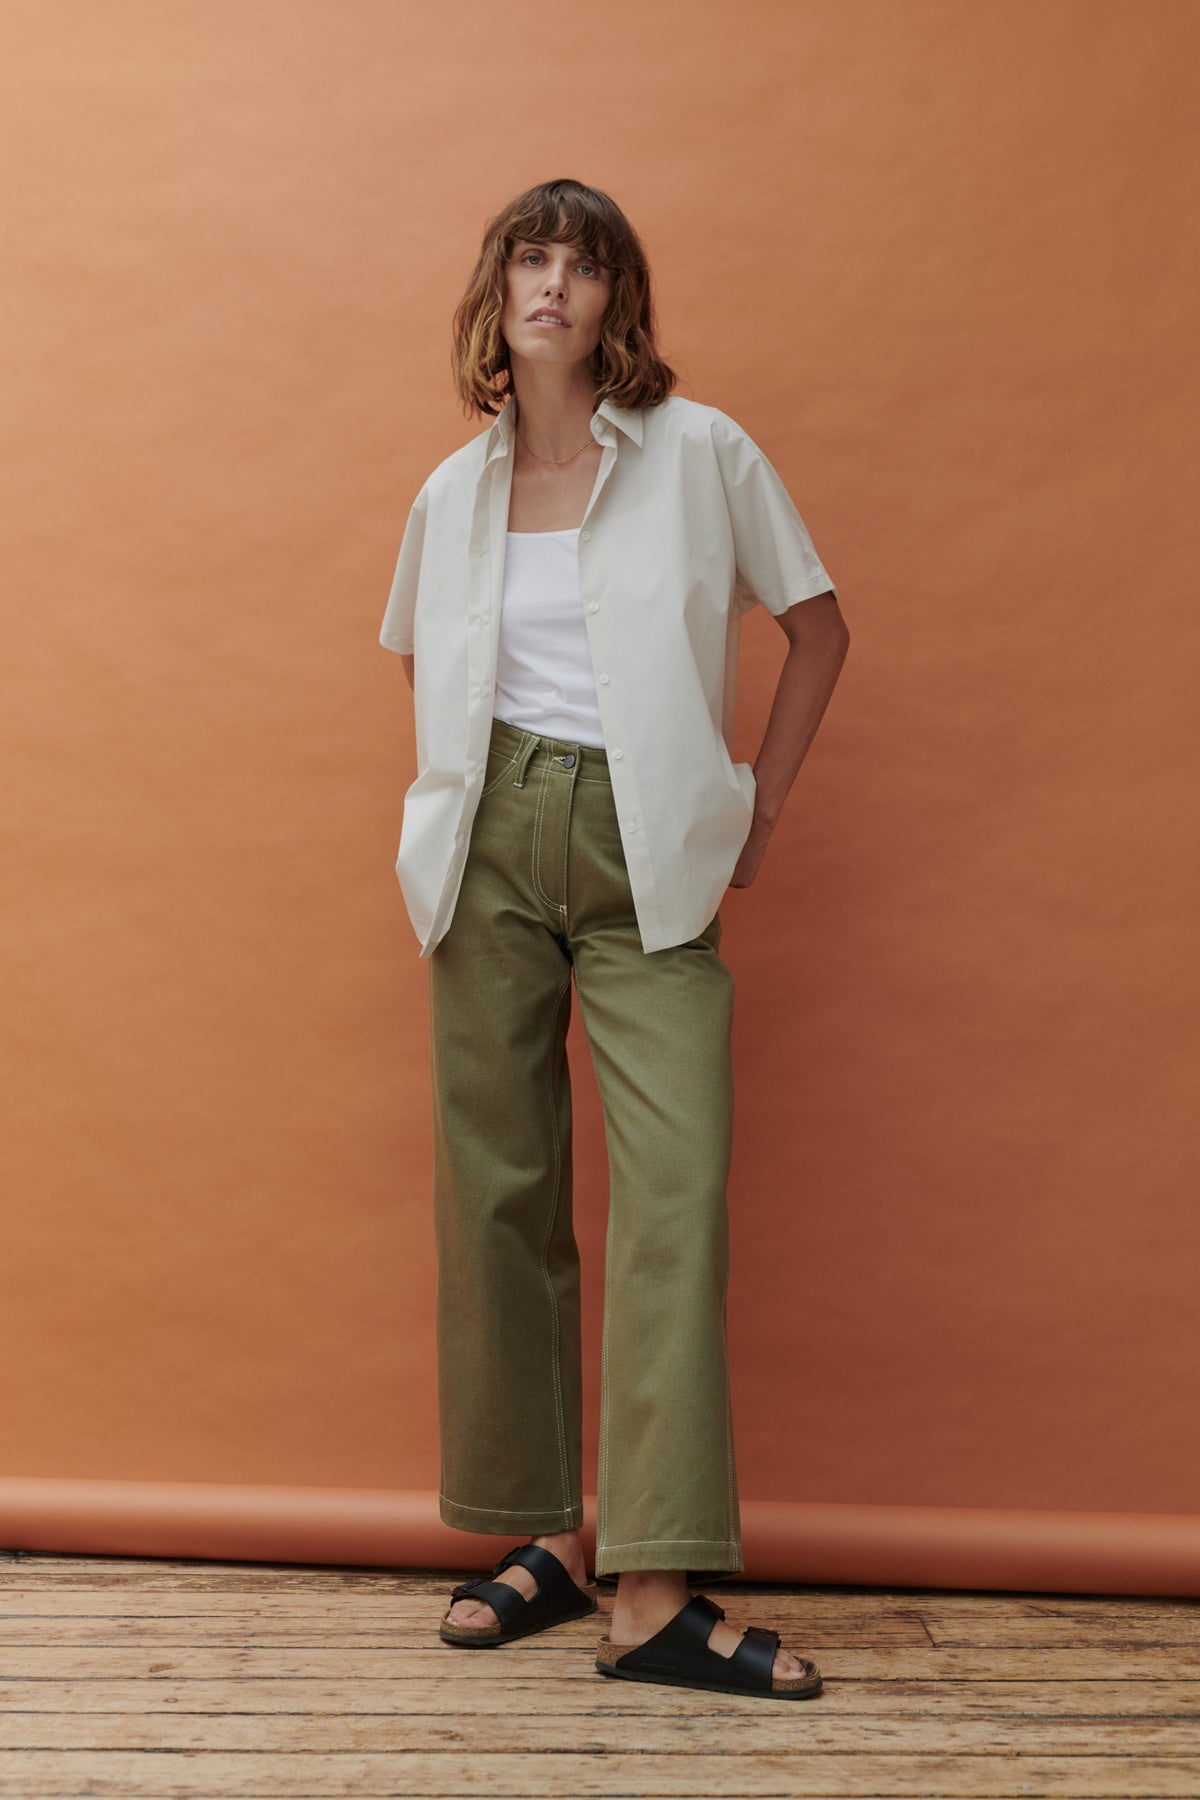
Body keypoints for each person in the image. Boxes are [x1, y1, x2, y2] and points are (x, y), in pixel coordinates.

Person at [379, 177, 849, 1701]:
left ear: (614, 303)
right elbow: (427, 673)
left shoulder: (701, 454)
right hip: (493, 842)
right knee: (501, 1195)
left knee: (672, 1201)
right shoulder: (451, 493)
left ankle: (656, 1591)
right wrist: (467, 815)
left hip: (652, 846)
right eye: (533, 254)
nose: (556, 281)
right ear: (497, 290)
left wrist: (757, 810)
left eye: (586, 263)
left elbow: (819, 626)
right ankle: (554, 1541)